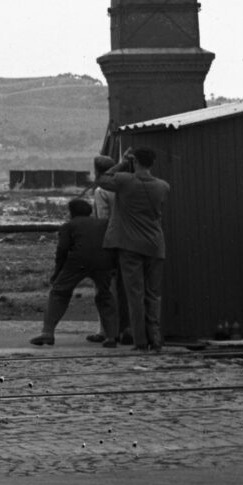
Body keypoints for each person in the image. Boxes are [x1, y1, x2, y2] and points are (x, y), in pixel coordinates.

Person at [104, 147, 170, 352]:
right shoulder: (163, 186)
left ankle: (140, 341)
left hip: (130, 245)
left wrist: (123, 163)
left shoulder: (124, 180)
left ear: (135, 161)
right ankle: (156, 338)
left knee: (135, 294)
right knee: (153, 294)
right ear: (153, 162)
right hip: (155, 244)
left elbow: (102, 179)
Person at [31, 196, 119, 347]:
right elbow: (112, 243)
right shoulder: (103, 224)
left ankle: (47, 333)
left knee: (59, 293)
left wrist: (57, 273)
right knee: (105, 296)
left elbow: (62, 250)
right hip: (103, 261)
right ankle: (111, 336)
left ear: (71, 212)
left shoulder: (69, 226)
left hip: (78, 262)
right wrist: (113, 265)